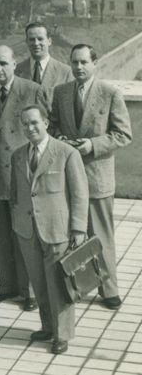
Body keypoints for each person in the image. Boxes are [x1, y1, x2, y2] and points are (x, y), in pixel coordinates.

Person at [50, 44, 132, 310]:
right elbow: (52, 125)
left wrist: (93, 145)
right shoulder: (61, 92)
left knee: (100, 235)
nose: (79, 67)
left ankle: (109, 290)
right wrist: (60, 138)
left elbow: (123, 134)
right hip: (68, 177)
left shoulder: (110, 94)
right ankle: (75, 285)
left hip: (97, 177)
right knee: (71, 234)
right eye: (74, 62)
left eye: (84, 62)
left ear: (95, 63)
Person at [11, 105, 89, 355]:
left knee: (58, 284)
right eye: (25, 124)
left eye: (34, 122)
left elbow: (79, 194)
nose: (30, 128)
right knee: (38, 283)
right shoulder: (18, 155)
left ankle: (62, 334)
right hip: (27, 229)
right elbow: (16, 193)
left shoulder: (66, 153)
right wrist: (17, 221)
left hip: (58, 230)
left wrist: (78, 228)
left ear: (45, 122)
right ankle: (47, 326)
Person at [0, 45, 46, 312]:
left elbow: (42, 131)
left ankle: (28, 291)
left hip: (20, 173)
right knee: (1, 236)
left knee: (23, 235)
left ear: (15, 63)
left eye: (4, 63)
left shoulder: (31, 90)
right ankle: (6, 285)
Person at [16, 22, 73, 103]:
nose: (36, 43)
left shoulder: (66, 72)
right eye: (32, 39)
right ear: (27, 42)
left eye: (40, 39)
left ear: (49, 41)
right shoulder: (17, 71)